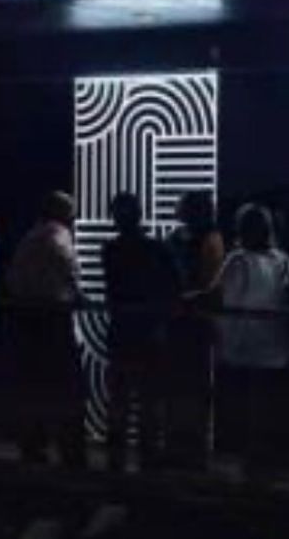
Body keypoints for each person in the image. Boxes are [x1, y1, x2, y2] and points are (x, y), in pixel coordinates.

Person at [215, 203, 289, 475]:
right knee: (266, 407)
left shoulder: (237, 260)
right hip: (275, 346)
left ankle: (254, 462)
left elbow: (221, 297)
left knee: (250, 407)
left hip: (243, 346)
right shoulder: (283, 261)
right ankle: (266, 461)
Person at [4, 190, 87, 468]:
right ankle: (71, 453)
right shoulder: (58, 234)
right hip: (54, 318)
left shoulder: (29, 237)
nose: (74, 217)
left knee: (34, 386)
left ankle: (33, 447)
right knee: (66, 388)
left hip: (29, 318)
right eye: (71, 212)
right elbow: (70, 267)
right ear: (63, 213)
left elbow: (13, 279)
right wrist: (80, 295)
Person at [101, 192, 179, 472]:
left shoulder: (110, 250)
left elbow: (113, 291)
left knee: (119, 403)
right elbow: (174, 286)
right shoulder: (157, 249)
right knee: (148, 402)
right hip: (149, 334)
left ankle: (116, 462)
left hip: (121, 332)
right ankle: (149, 462)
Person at [164, 191, 225, 468]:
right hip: (186, 320)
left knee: (192, 385)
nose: (176, 207)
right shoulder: (193, 238)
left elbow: (212, 284)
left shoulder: (205, 238)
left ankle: (191, 447)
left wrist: (188, 298)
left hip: (193, 321)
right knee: (185, 384)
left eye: (181, 204)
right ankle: (185, 446)